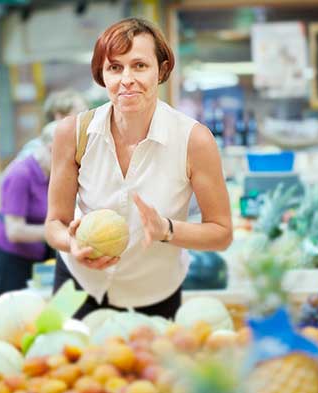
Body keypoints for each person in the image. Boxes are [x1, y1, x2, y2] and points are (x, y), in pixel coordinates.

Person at [45, 17, 233, 319]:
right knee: (62, 363)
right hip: (76, 287)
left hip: (153, 295)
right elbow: (54, 223)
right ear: (102, 75)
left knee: (144, 366)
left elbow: (221, 233)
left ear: (161, 70)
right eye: (115, 67)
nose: (126, 79)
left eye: (140, 65)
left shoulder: (193, 140)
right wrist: (72, 242)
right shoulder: (72, 133)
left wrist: (167, 230)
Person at [0, 121, 57, 296]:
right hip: (9, 257)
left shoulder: (50, 174)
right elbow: (14, 231)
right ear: (50, 149)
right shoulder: (21, 174)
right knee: (13, 317)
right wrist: (57, 232)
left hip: (35, 256)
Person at [16, 89, 89, 161]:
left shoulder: (81, 144)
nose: (87, 119)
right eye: (80, 112)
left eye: (88, 112)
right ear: (60, 117)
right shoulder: (35, 149)